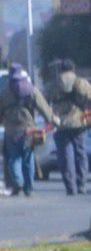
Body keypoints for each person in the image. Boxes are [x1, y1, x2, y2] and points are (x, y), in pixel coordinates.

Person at [45, 59, 91, 196]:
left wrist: (49, 117)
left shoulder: (53, 84)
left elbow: (43, 100)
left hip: (60, 123)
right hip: (78, 122)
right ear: (73, 69)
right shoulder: (80, 82)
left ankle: (70, 186)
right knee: (80, 153)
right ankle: (81, 184)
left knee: (65, 155)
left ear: (60, 69)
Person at [1, 62, 54, 197]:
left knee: (14, 158)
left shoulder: (4, 92)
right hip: (28, 129)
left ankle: (18, 181)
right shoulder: (31, 89)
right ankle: (29, 187)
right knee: (28, 157)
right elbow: (43, 107)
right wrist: (50, 119)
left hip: (11, 130)